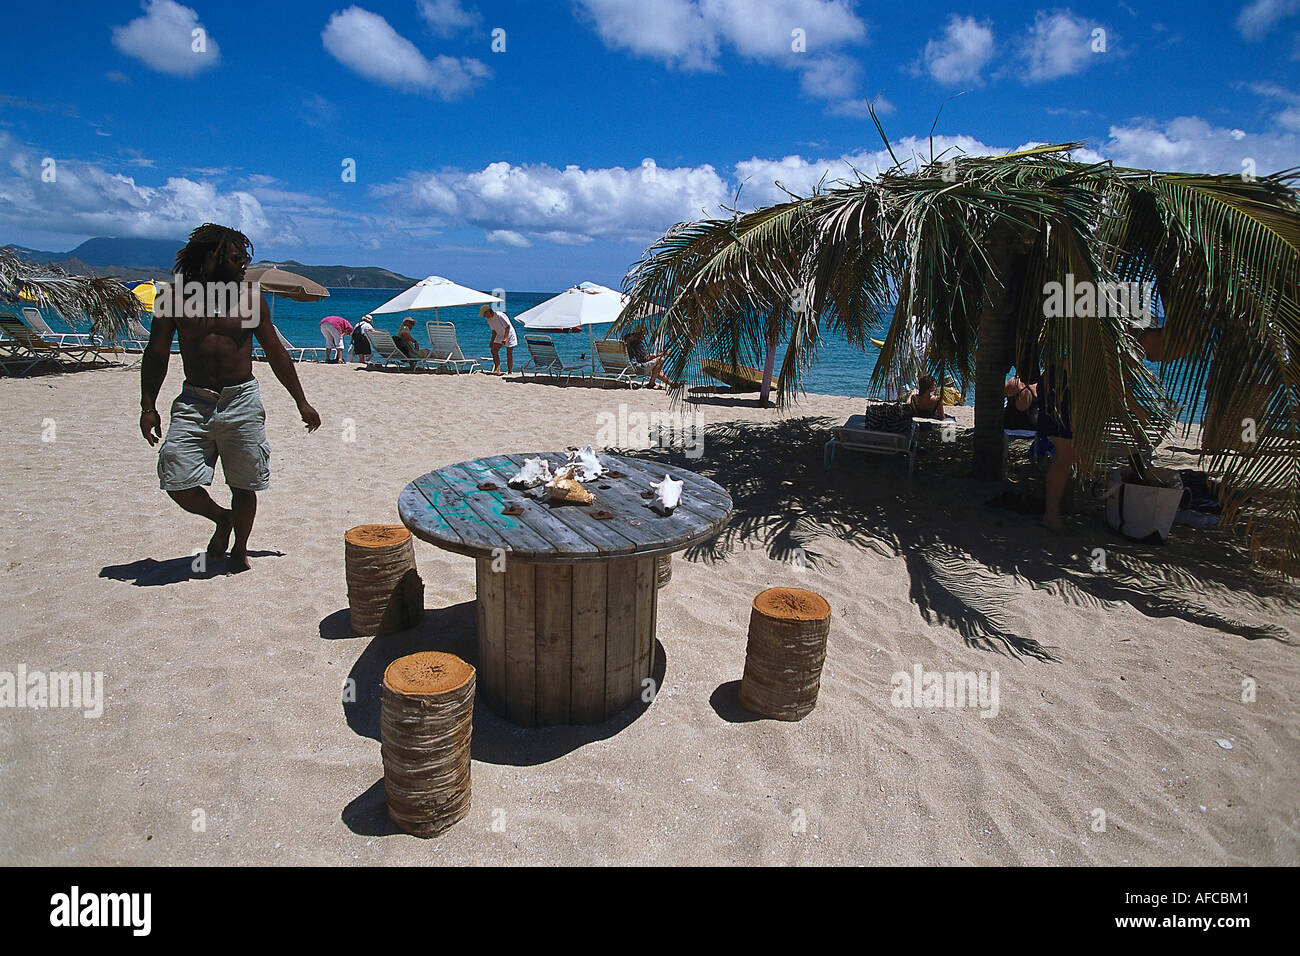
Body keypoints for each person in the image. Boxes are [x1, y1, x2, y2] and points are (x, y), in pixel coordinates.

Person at [140, 223, 321, 573]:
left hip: (241, 399)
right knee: (176, 478)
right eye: (237, 257)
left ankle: (240, 547)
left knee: (244, 481)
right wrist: (149, 407)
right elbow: (157, 352)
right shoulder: (172, 299)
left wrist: (301, 400)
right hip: (194, 401)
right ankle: (222, 519)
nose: (243, 264)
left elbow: (274, 351)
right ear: (213, 256)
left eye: (245, 258)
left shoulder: (249, 299)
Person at [1037, 364, 1074, 535]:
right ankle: (1051, 515)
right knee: (1065, 455)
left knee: (1067, 455)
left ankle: (1054, 512)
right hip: (1060, 388)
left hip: (1058, 385)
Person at [480, 304, 516, 375]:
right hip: (499, 334)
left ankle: (510, 371)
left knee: (509, 353)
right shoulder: (489, 319)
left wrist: (505, 338)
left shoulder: (499, 315)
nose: (484, 316)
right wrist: (492, 341)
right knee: (493, 350)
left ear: (488, 312)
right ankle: (497, 369)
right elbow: (493, 331)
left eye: (484, 314)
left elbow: (507, 327)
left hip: (509, 334)